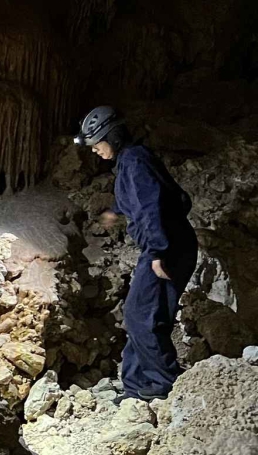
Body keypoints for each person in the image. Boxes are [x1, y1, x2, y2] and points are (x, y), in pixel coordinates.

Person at [76, 106, 196, 402]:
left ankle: (164, 383)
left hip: (168, 249)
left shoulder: (134, 161)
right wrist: (115, 211)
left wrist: (156, 252)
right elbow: (158, 196)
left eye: (97, 143)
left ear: (113, 137)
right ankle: (135, 385)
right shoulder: (131, 160)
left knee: (141, 315)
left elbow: (150, 206)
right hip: (168, 245)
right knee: (141, 315)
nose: (94, 150)